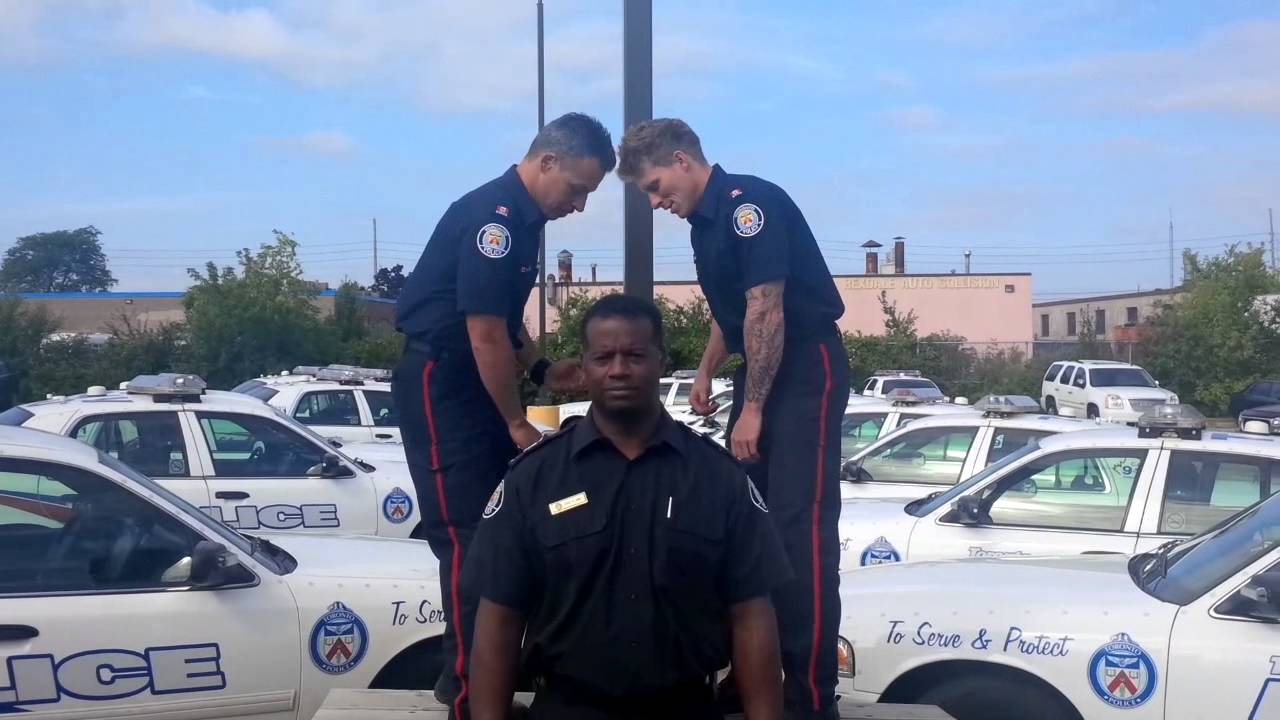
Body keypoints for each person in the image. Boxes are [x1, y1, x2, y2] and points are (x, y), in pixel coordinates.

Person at [616, 119, 851, 720]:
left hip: (804, 368)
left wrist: (752, 409)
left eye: (655, 184)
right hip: (763, 368)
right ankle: (754, 675)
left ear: (682, 159)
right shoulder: (705, 224)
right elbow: (735, 312)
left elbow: (768, 309)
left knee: (800, 535)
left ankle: (808, 696)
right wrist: (705, 370)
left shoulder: (752, 206)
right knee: (750, 528)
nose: (655, 200)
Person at [465, 294, 791, 720]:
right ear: (584, 368)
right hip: (567, 707)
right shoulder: (533, 480)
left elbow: (752, 617)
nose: (619, 369)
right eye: (604, 357)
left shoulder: (718, 479)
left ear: (661, 362)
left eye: (635, 355)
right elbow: (499, 622)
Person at [392, 112, 616, 719]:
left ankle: (478, 674)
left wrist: (543, 370)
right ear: (545, 162)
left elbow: (506, 323)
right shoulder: (494, 221)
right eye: (576, 189)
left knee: (501, 532)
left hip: (471, 385)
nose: (578, 206)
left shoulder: (522, 220)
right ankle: (469, 696)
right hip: (444, 384)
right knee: (466, 537)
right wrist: (518, 424)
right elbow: (484, 333)